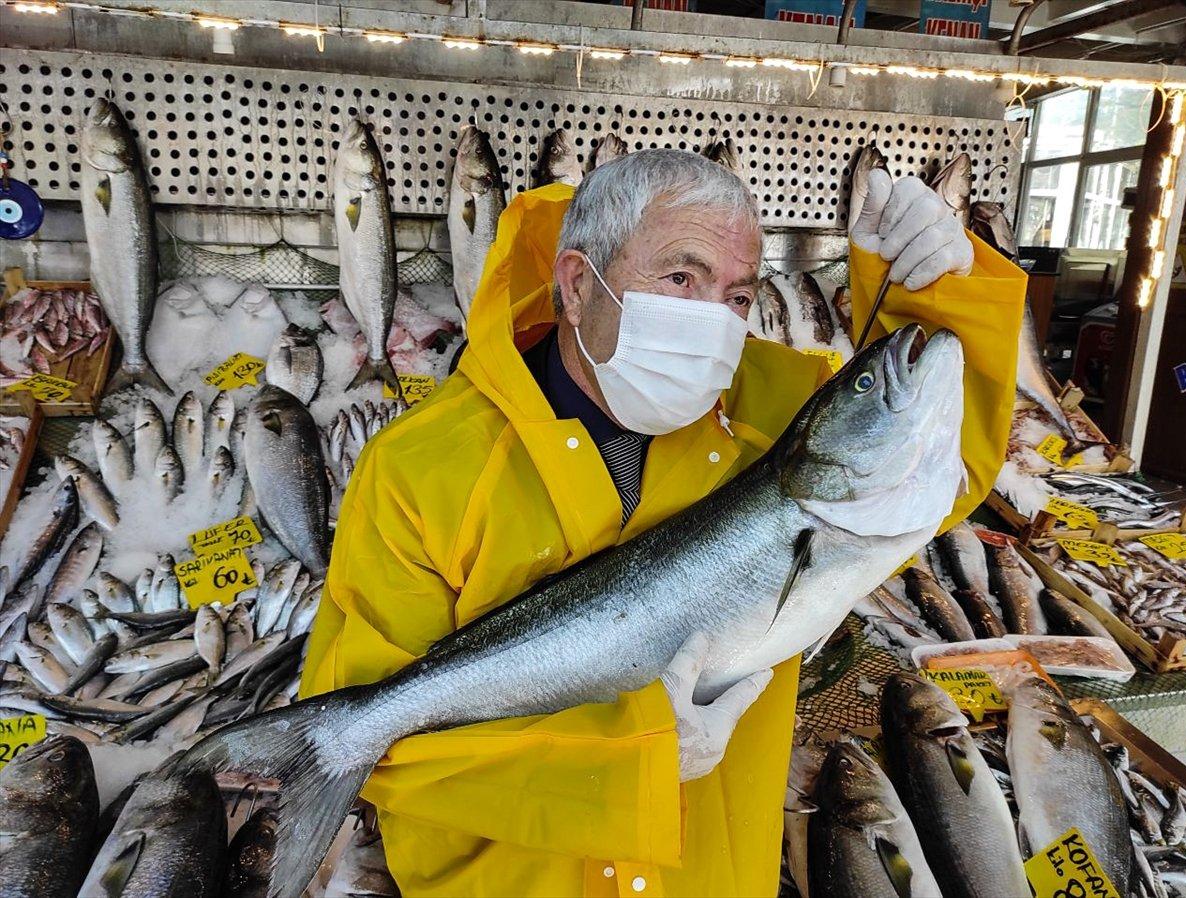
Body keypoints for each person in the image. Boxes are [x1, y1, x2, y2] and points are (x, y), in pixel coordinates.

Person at [300, 149, 1026, 897]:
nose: (713, 321)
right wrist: (625, 749)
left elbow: (937, 467)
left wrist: (938, 295)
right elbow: (379, 743)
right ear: (578, 285)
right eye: (681, 279)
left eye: (738, 297)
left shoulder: (776, 406)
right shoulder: (417, 467)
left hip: (707, 873)